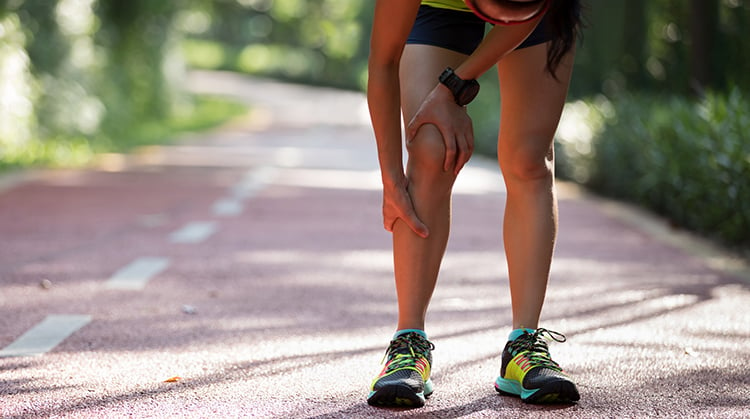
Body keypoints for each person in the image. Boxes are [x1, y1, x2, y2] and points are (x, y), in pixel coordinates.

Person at [366, 0, 583, 408]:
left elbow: (528, 13)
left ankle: (524, 345)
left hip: (540, 13)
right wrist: (392, 179)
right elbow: (382, 61)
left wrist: (454, 86)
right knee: (431, 146)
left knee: (529, 161)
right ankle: (407, 343)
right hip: (438, 7)